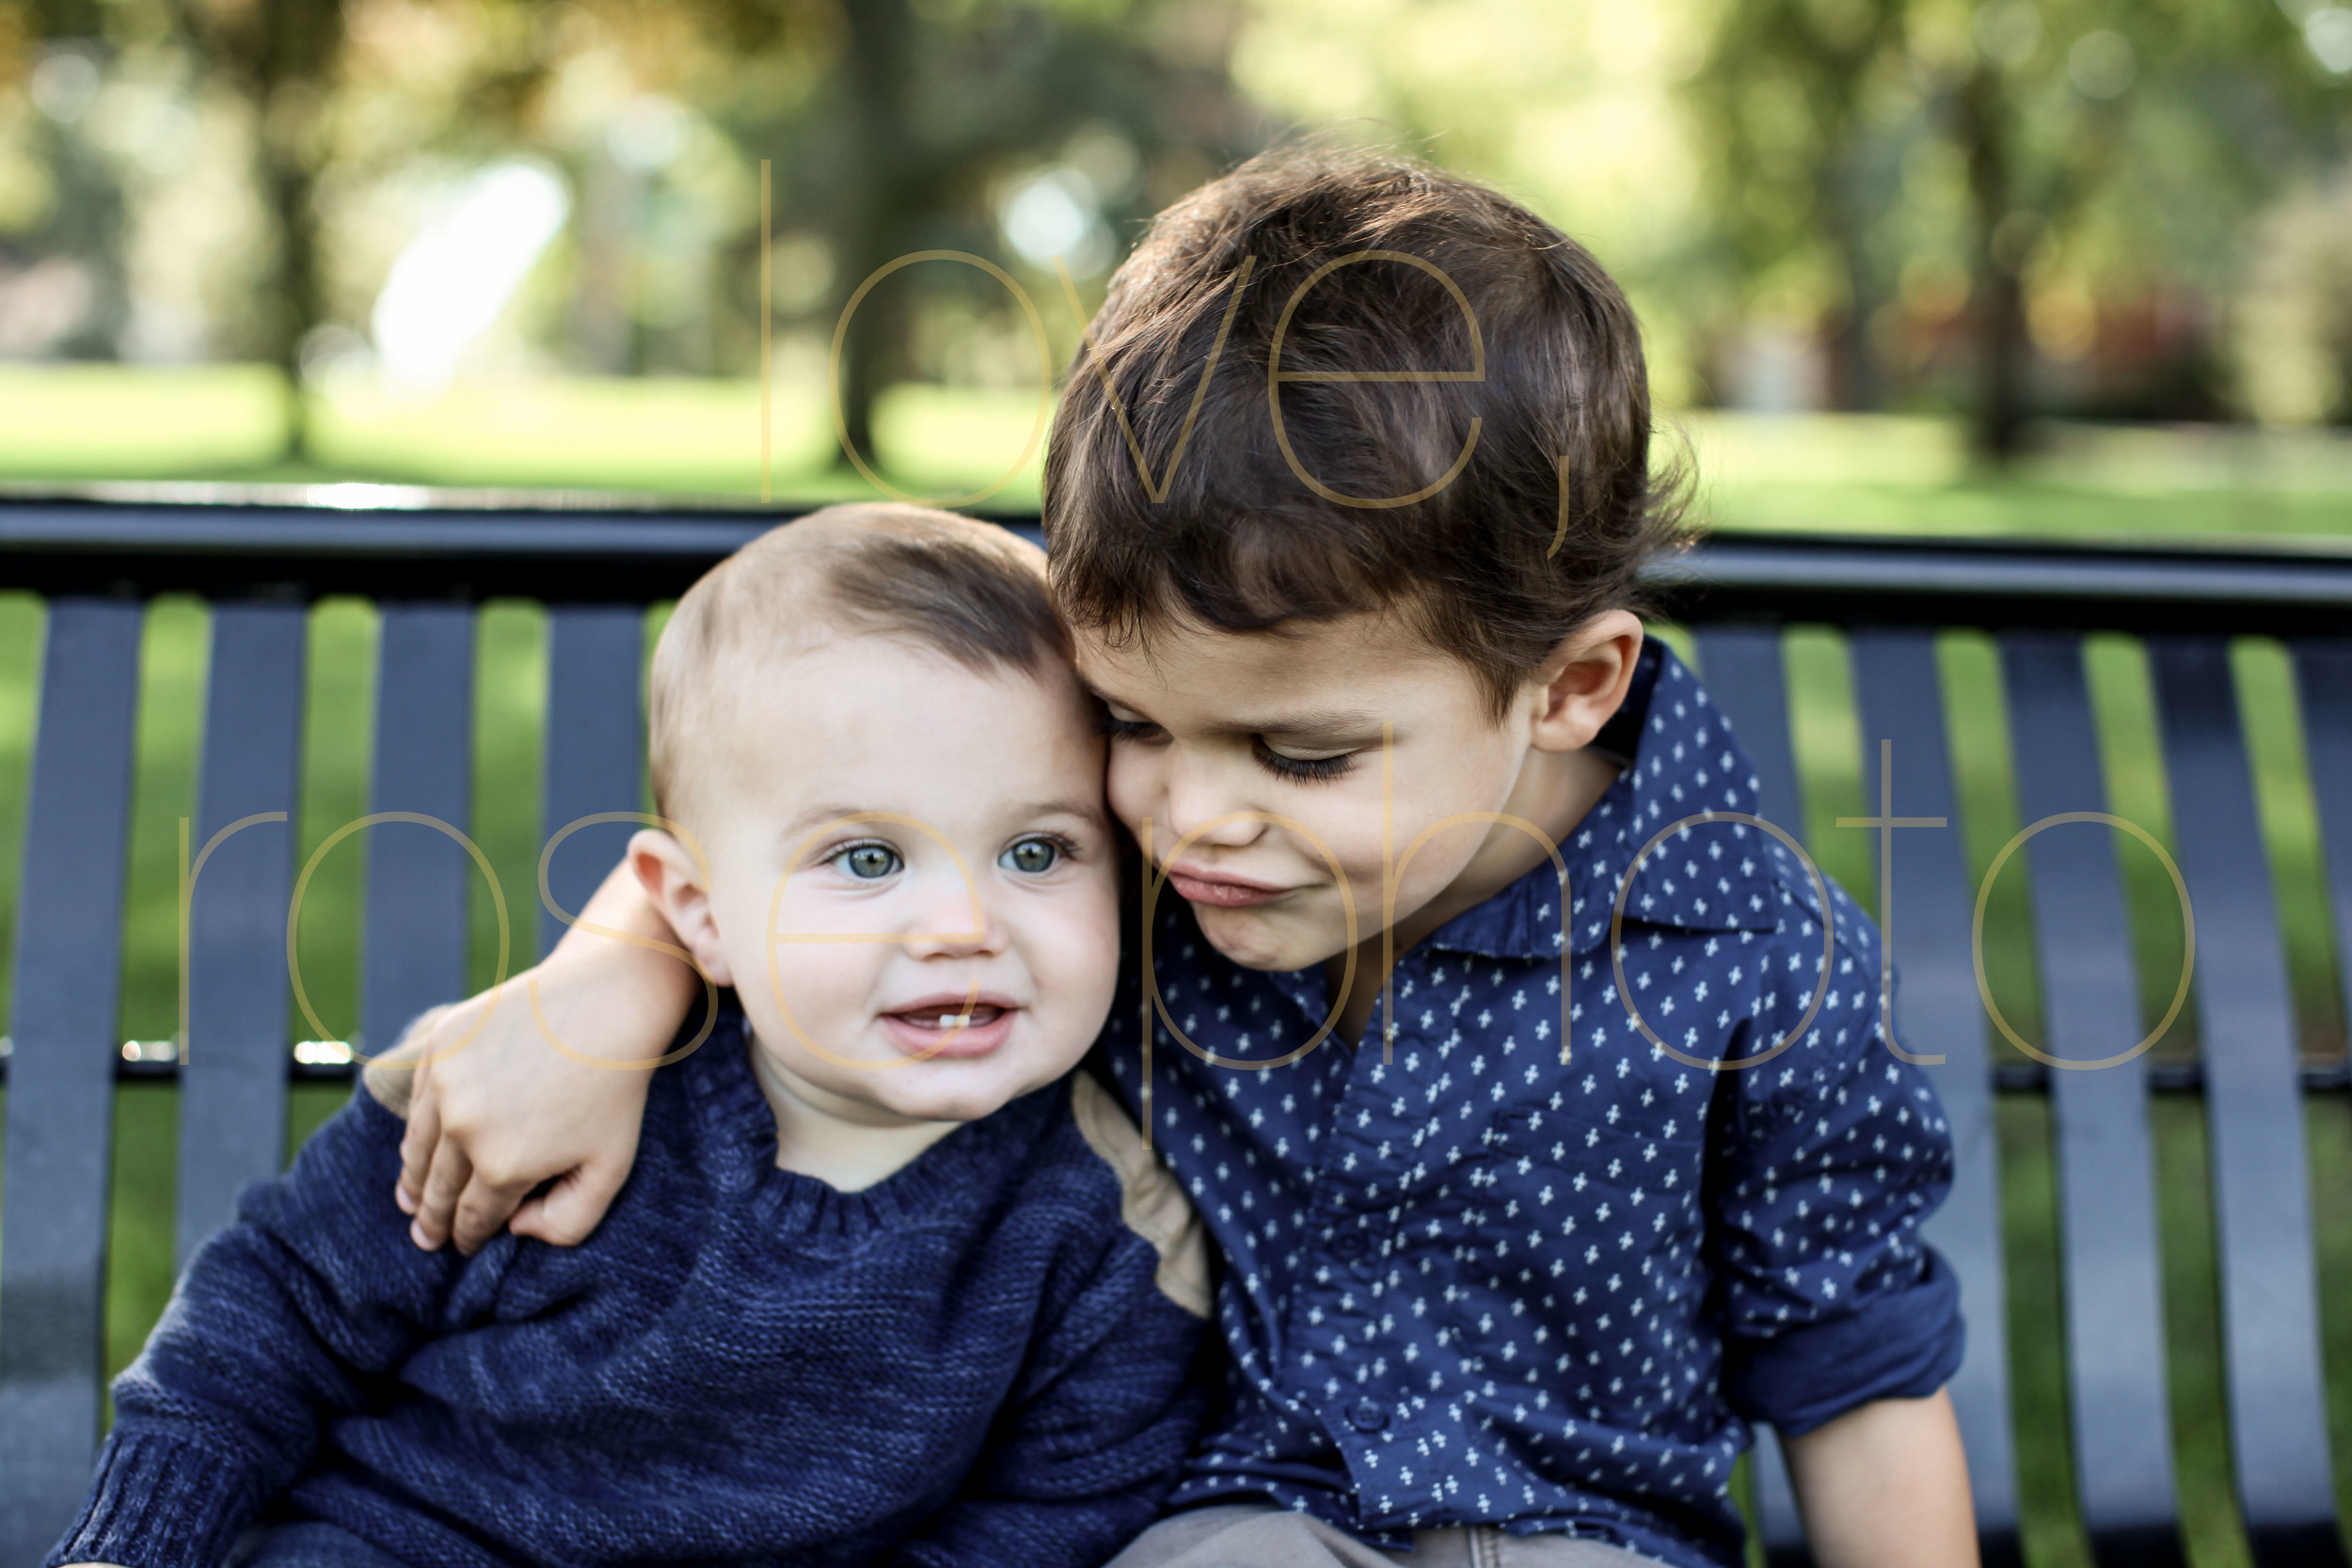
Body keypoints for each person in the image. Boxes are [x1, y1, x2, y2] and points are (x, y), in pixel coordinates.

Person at [389, 146, 1976, 1568]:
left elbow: (1853, 1362)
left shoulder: (1751, 952)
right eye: (1137, 718)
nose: (1194, 812)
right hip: (1218, 1502)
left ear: (1569, 687)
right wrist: (606, 982)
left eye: (1301, 755)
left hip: (1590, 1529)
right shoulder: (1109, 865)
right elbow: (815, 809)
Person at [50, 504, 1212, 1568]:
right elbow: (275, 1313)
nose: (964, 925)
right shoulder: (529, 1095)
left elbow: (1051, 1519)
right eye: (866, 860)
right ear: (697, 912)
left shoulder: (1109, 1229)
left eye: (1038, 852)